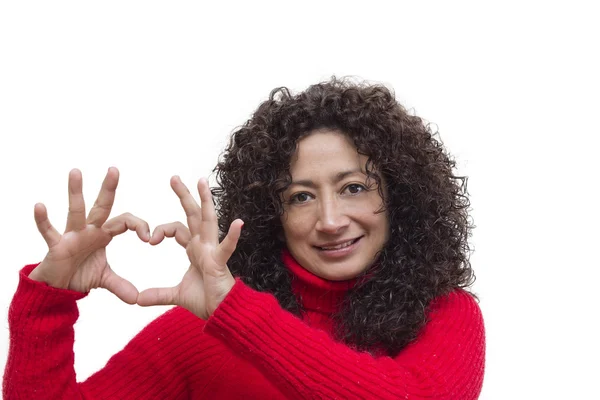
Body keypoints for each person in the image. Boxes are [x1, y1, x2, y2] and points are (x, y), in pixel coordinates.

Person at [3, 77, 485, 399]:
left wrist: (238, 314)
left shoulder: (447, 316)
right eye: (300, 197)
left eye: (353, 188)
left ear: (401, 194)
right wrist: (48, 302)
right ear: (270, 213)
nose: (331, 219)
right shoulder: (207, 327)